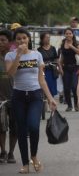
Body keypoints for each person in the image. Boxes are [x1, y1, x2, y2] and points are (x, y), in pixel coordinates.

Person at [5, 28, 57, 173]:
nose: (22, 41)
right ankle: (25, 163)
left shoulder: (37, 55)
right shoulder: (10, 55)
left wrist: (50, 98)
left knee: (34, 126)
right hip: (18, 96)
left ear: (29, 39)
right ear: (15, 42)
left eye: (24, 38)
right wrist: (18, 55)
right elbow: (11, 73)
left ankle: (33, 155)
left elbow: (41, 79)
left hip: (35, 95)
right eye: (19, 39)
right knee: (21, 129)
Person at [0, 30, 17, 164]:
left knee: (14, 126)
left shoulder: (15, 56)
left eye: (3, 40)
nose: (0, 43)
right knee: (1, 127)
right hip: (0, 99)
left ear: (9, 43)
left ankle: (11, 152)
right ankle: (3, 151)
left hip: (15, 97)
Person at [58, 28, 79, 112]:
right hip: (65, 68)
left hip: (75, 67)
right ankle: (69, 105)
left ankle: (76, 104)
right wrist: (60, 68)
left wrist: (72, 46)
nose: (68, 35)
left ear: (73, 34)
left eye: (70, 33)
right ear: (64, 34)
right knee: (66, 87)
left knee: (74, 86)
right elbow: (62, 57)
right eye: (67, 33)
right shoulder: (62, 43)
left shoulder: (77, 43)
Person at [37, 32, 58, 97]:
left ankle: (51, 103)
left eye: (49, 37)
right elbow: (38, 62)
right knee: (45, 89)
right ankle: (45, 103)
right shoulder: (39, 50)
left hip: (52, 71)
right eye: (46, 37)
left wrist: (59, 68)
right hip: (44, 71)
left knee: (52, 90)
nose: (48, 39)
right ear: (42, 39)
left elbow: (56, 59)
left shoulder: (53, 48)